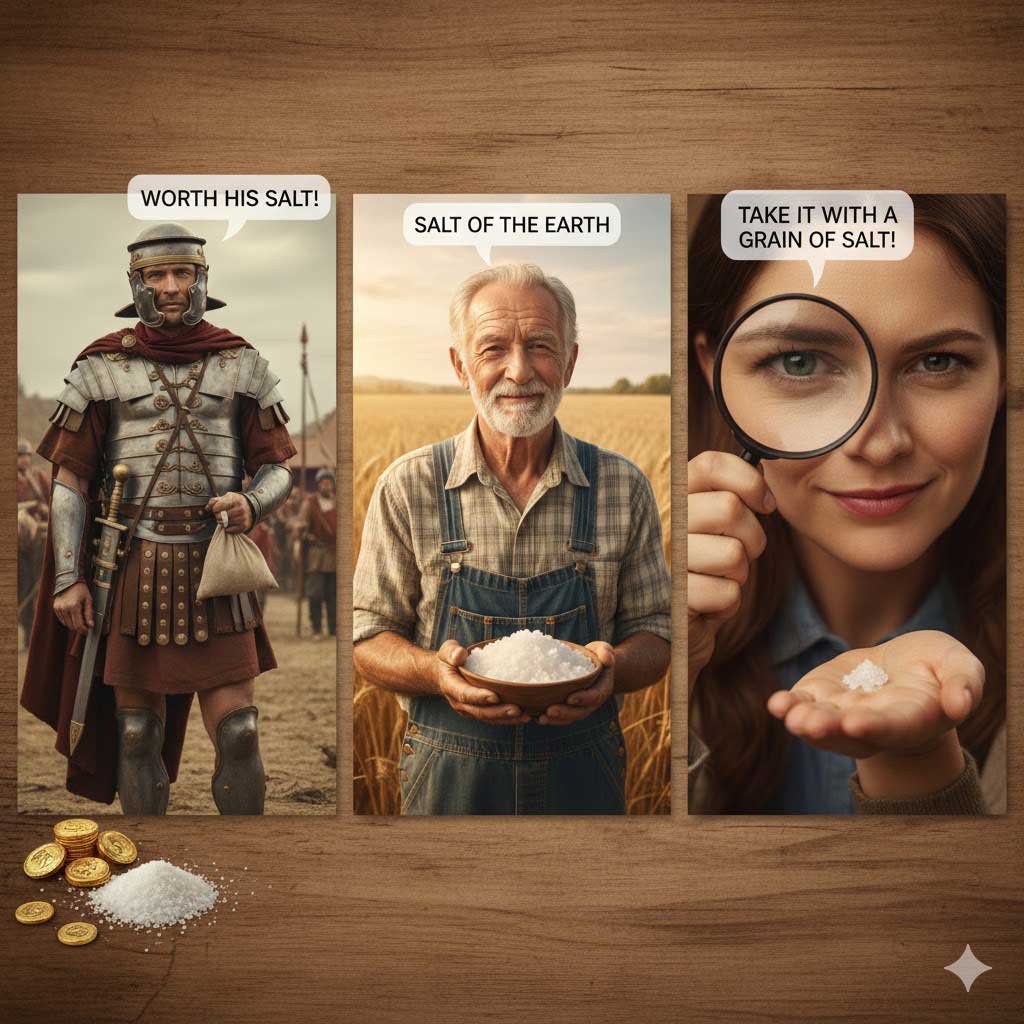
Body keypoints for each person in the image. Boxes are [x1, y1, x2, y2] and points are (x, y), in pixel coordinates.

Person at [687, 195, 1006, 814]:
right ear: (713, 369)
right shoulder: (668, 628)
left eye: (938, 361)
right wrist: (670, 668)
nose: (880, 442)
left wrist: (920, 767)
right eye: (799, 362)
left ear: (1005, 369)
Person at [354, 262, 671, 815]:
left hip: (584, 779)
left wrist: (611, 667)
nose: (519, 371)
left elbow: (656, 635)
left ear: (570, 361)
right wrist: (436, 671)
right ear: (460, 365)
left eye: (541, 346)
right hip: (447, 778)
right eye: (493, 348)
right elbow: (366, 638)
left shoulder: (624, 486)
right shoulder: (408, 485)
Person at [21, 222, 296, 815]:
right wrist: (68, 579)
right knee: (136, 735)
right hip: (132, 571)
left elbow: (279, 468)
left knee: (241, 732)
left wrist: (251, 502)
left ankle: (250, 851)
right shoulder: (99, 368)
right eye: (157, 275)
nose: (171, 286)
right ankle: (151, 860)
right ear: (136, 283)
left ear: (202, 280)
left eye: (183, 273)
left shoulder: (241, 363)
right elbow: (70, 480)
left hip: (216, 571)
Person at [17, 438, 50, 646]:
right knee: (22, 586)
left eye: (27, 455)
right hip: (18, 542)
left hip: (39, 538)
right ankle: (25, 633)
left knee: (38, 587)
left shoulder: (38, 476)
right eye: (21, 455)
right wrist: (29, 506)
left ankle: (34, 637)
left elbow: (51, 498)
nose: (25, 459)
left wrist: (45, 508)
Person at [299, 468, 337, 639]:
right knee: (315, 594)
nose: (326, 486)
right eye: (323, 483)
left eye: (329, 483)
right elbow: (301, 524)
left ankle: (333, 628)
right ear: (319, 485)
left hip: (335, 556)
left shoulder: (339, 503)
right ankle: (316, 628)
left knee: (333, 596)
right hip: (317, 555)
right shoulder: (310, 503)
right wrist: (301, 530)